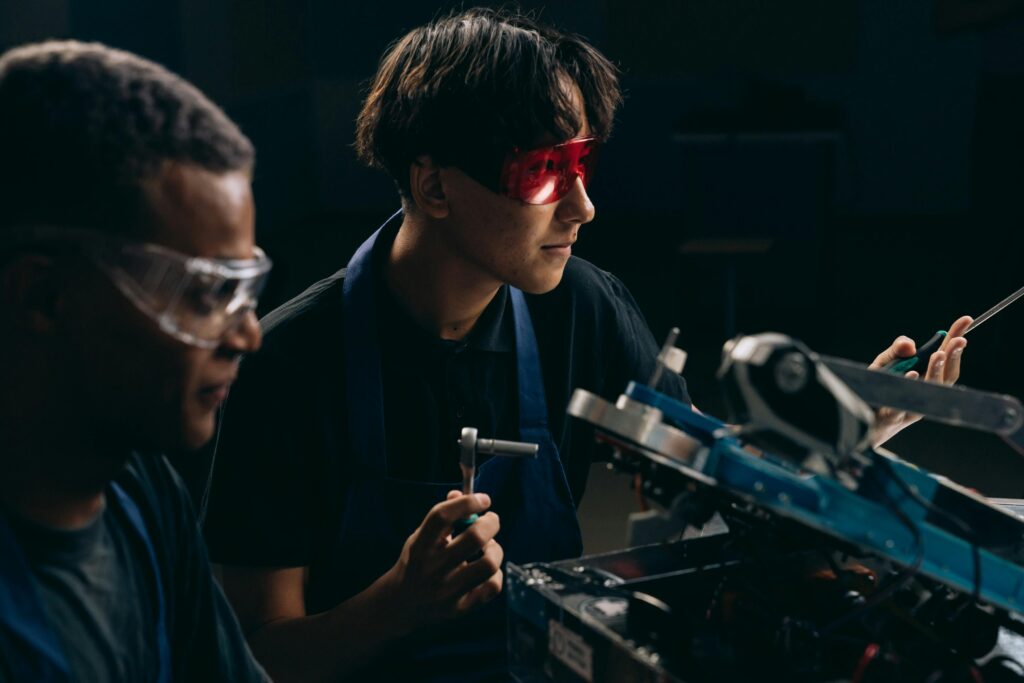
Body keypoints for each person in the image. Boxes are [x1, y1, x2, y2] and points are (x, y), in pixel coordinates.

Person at [203, 8, 971, 682]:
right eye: (544, 172)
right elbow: (256, 656)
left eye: (582, 163)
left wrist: (840, 435)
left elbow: (710, 476)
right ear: (435, 187)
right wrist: (397, 602)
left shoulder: (581, 307)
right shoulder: (285, 366)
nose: (584, 206)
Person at [0, 41, 272, 682]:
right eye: (204, 293)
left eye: (243, 291)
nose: (247, 337)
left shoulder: (139, 487)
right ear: (45, 297)